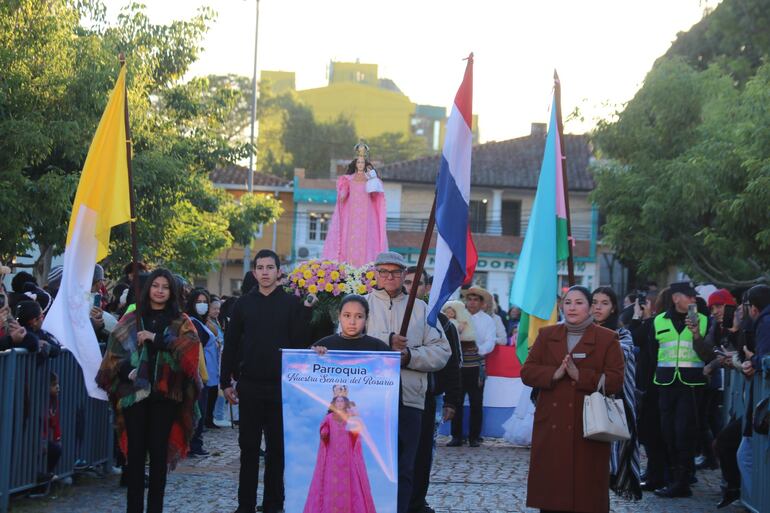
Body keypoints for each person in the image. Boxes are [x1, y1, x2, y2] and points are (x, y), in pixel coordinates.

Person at [96, 268, 201, 513]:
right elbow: (113, 355)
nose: (160, 291)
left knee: (158, 456)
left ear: (172, 291)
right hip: (135, 396)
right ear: (148, 289)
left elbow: (190, 352)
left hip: (165, 396)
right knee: (135, 457)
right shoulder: (133, 318)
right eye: (156, 286)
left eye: (165, 287)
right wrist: (127, 371)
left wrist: (157, 338)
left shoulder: (181, 321)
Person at [220, 249, 316, 513]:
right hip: (249, 386)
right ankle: (245, 505)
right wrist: (225, 381)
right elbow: (230, 345)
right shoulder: (242, 305)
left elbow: (300, 342)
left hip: (280, 388)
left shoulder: (291, 304)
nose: (265, 272)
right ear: (254, 272)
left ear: (278, 272)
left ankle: (274, 505)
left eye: (270, 267)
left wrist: (307, 312)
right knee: (249, 450)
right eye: (260, 267)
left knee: (277, 452)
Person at [520, 285, 625, 513]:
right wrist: (553, 374)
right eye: (568, 302)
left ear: (590, 308)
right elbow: (527, 373)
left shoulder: (607, 339)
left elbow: (616, 381)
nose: (572, 307)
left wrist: (582, 376)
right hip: (552, 425)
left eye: (579, 303)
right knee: (551, 495)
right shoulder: (547, 335)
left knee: (586, 496)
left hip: (588, 427)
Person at [364, 251, 450, 513]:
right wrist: (385, 341)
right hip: (370, 399)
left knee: (405, 465)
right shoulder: (361, 305)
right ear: (375, 275)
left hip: (410, 398)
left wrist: (409, 356)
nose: (390, 277)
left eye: (396, 272)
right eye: (384, 272)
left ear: (404, 275)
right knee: (372, 462)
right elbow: (349, 341)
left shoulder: (423, 309)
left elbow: (441, 352)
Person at [403, 268, 462, 513]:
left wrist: (451, 400)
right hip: (390, 396)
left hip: (426, 395)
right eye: (407, 282)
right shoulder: (389, 314)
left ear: (426, 288)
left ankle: (416, 501)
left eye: (417, 283)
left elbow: (452, 363)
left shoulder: (440, 320)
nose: (410, 288)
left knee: (422, 451)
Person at [648, 281, 708, 499]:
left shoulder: (702, 320)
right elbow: (651, 355)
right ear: (676, 298)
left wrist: (696, 335)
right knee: (668, 433)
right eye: (689, 296)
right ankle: (673, 478)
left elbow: (708, 354)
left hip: (691, 386)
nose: (694, 300)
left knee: (685, 433)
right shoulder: (658, 321)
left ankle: (683, 481)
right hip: (665, 384)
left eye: (694, 296)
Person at [591, 286, 641, 500]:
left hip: (612, 404)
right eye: (594, 302)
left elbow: (622, 353)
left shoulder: (622, 334)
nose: (598, 307)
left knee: (606, 463)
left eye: (604, 303)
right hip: (583, 401)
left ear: (613, 308)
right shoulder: (579, 331)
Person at [303, 389, 376, 513]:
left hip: (348, 460)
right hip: (332, 460)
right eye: (338, 401)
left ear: (345, 403)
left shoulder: (350, 417)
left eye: (342, 401)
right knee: (330, 486)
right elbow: (324, 429)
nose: (340, 403)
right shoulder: (329, 418)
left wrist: (355, 421)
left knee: (352, 486)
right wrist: (324, 432)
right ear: (334, 403)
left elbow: (356, 433)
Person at [321, 142, 388, 266]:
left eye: (363, 162)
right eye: (358, 162)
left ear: (366, 164)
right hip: (351, 218)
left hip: (367, 218)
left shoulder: (371, 180)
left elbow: (375, 196)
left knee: (368, 242)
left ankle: (367, 267)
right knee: (348, 243)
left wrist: (373, 179)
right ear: (355, 164)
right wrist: (342, 193)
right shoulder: (348, 179)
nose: (360, 164)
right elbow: (343, 197)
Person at [448, 287, 495, 448]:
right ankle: (456, 436)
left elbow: (490, 341)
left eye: (476, 300)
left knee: (476, 402)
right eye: (470, 299)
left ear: (482, 303)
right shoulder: (458, 316)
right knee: (457, 400)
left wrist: (478, 349)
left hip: (476, 365)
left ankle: (474, 437)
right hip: (460, 365)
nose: (472, 302)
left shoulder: (487, 320)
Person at [186, 288, 215, 457]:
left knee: (201, 410)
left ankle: (196, 443)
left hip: (207, 372)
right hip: (197, 373)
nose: (202, 305)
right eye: (199, 302)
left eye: (205, 302)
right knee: (197, 410)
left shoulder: (202, 322)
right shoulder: (192, 322)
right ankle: (193, 444)